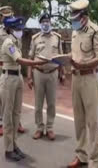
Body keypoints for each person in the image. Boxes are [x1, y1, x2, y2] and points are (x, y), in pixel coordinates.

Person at [0, 17, 47, 161]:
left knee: (16, 114)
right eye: (18, 28)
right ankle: (8, 149)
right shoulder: (8, 43)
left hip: (17, 77)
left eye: (20, 28)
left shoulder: (17, 41)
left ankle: (14, 144)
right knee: (8, 115)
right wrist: (36, 63)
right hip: (8, 79)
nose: (20, 31)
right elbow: (19, 60)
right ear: (11, 29)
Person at [67, 0, 98, 168]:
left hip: (89, 78)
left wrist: (82, 65)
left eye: (75, 18)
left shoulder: (95, 31)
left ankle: (95, 160)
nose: (73, 22)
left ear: (83, 17)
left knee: (92, 121)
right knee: (79, 120)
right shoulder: (75, 32)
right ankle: (81, 155)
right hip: (75, 78)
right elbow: (75, 53)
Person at [27, 13, 65, 141]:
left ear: (50, 22)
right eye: (43, 21)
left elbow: (61, 57)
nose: (45, 23)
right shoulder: (35, 38)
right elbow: (30, 58)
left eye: (47, 21)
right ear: (40, 24)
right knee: (38, 103)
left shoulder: (57, 38)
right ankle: (39, 128)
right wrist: (29, 77)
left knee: (52, 103)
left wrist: (62, 73)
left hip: (53, 73)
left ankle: (49, 128)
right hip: (38, 73)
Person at [0, 6, 24, 136]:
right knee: (1, 97)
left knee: (15, 97)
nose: (7, 18)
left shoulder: (16, 31)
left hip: (15, 66)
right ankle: (1, 123)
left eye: (9, 16)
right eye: (5, 16)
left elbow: (19, 51)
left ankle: (17, 122)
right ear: (1, 17)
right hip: (1, 66)